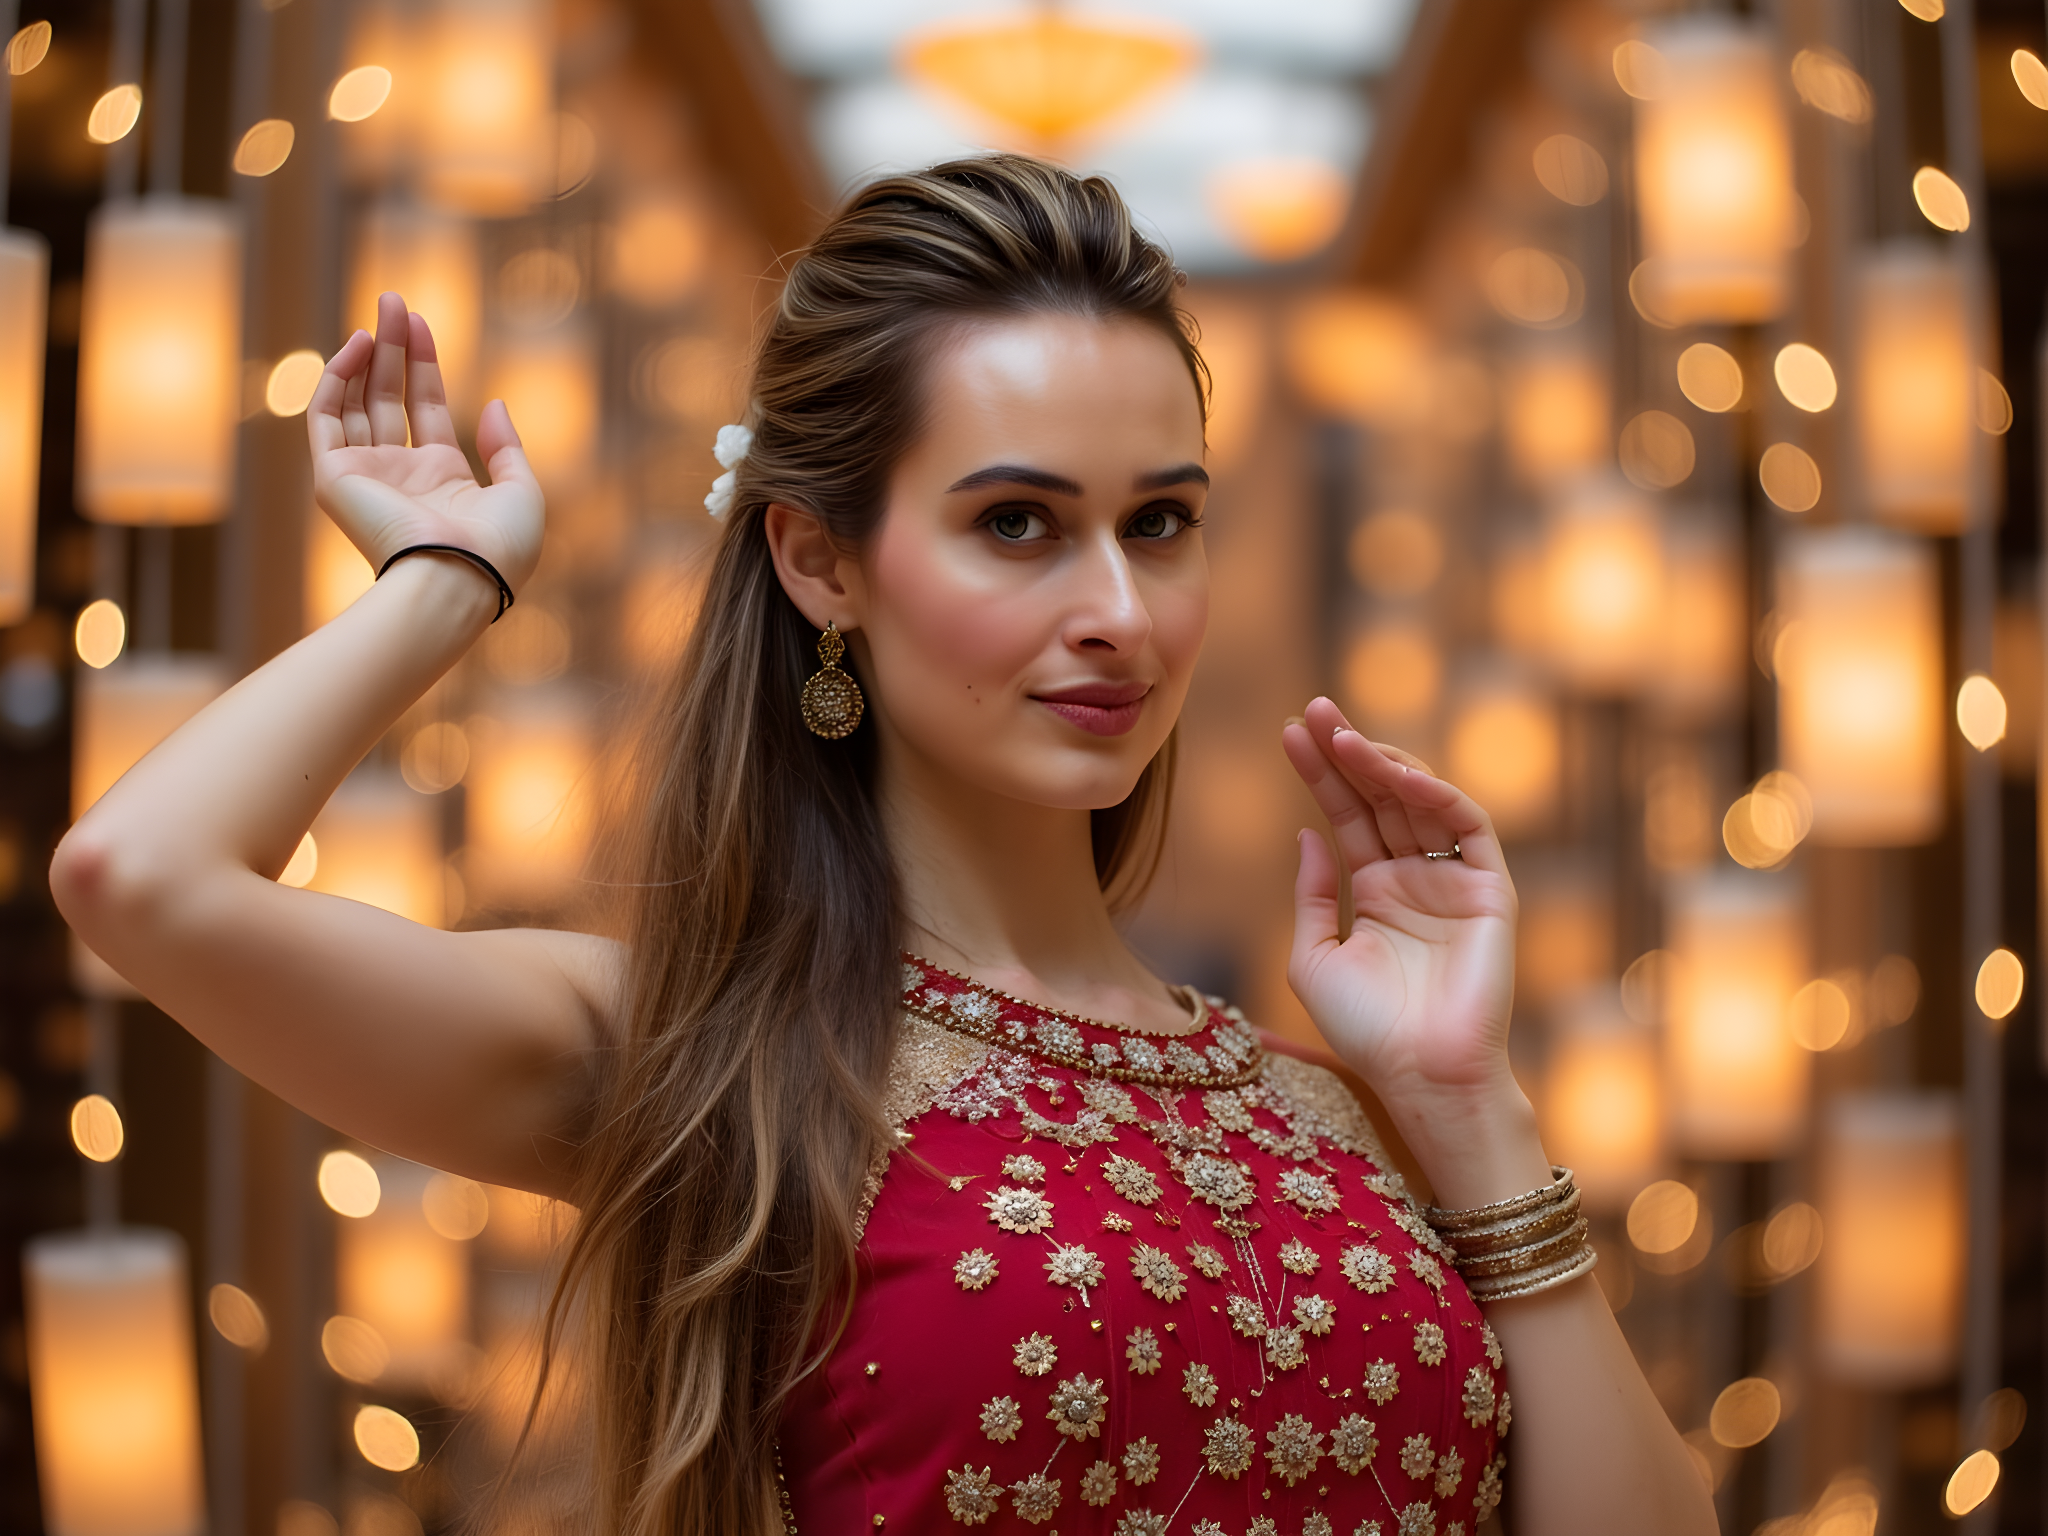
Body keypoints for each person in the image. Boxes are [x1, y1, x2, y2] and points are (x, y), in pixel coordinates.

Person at [53, 157, 1714, 1536]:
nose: (1119, 613)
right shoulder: (700, 1060)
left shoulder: (1338, 1105)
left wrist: (1466, 1109)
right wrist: (446, 579)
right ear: (821, 562)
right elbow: (143, 881)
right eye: (1018, 524)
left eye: (1162, 522)